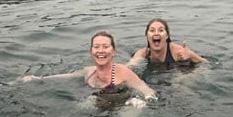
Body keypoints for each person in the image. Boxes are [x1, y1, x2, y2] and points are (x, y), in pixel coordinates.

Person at [23, 31, 156, 101]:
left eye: (105, 46)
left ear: (113, 51)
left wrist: (143, 101)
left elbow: (147, 90)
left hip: (122, 103)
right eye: (96, 47)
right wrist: (38, 79)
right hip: (99, 102)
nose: (100, 51)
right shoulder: (89, 71)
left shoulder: (123, 72)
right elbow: (68, 76)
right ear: (91, 52)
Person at [129, 18, 207, 66]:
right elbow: (130, 66)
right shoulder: (143, 53)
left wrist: (191, 55)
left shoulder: (177, 51)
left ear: (167, 36)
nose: (156, 33)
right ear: (147, 35)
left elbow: (205, 63)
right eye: (152, 30)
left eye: (161, 30)